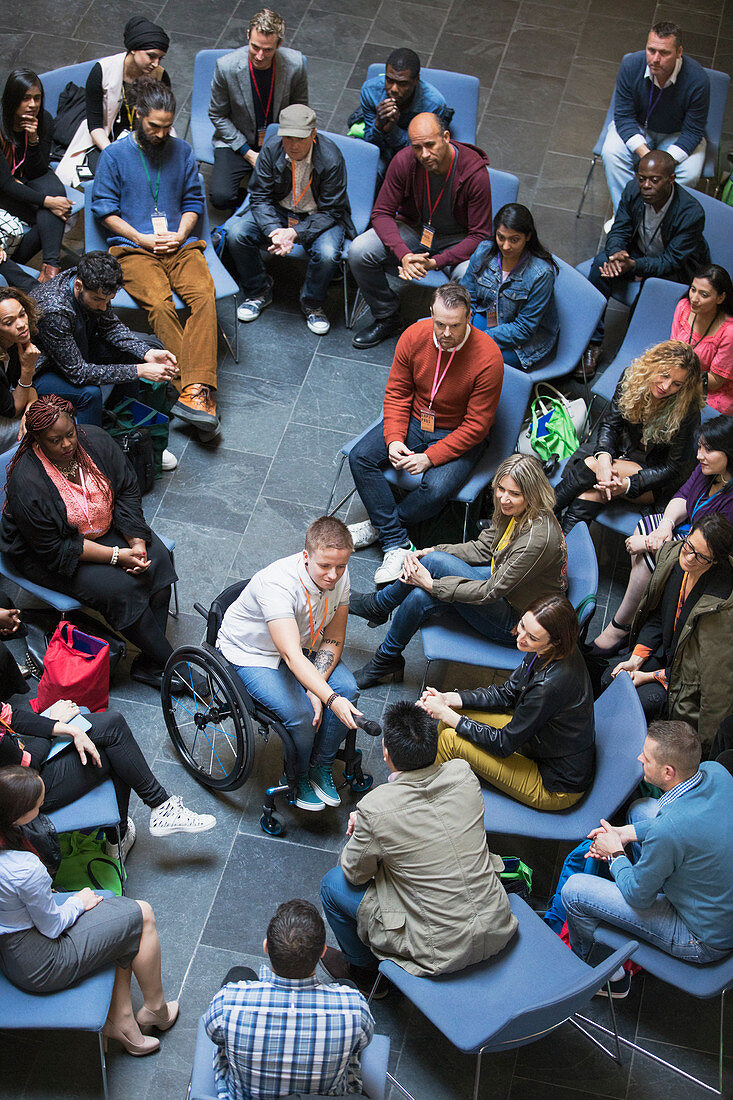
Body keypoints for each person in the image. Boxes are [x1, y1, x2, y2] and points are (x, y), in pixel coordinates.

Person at [319, 701, 517, 992]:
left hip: (439, 951)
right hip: (497, 925)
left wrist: (364, 828)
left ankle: (363, 973)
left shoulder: (375, 808)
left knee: (332, 885)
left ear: (385, 750)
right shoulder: (463, 773)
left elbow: (354, 874)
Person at [0, 395, 178, 691]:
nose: (67, 444)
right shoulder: (26, 480)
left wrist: (136, 541)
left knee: (156, 559)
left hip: (103, 526)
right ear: (38, 440)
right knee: (120, 589)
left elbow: (125, 490)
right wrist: (117, 557)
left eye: (70, 434)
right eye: (56, 441)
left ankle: (150, 663)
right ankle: (175, 665)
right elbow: (56, 548)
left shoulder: (94, 440)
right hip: (48, 553)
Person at [0, 766, 180, 1055]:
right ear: (18, 816)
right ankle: (155, 1010)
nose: (43, 807)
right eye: (38, 805)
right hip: (41, 960)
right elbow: (52, 926)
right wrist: (78, 902)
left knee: (119, 922)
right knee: (142, 914)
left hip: (11, 949)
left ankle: (124, 1023)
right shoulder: (24, 869)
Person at [350, 453, 567, 690]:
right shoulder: (518, 512)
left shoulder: (535, 539)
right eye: (501, 489)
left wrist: (433, 585)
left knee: (432, 572)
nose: (504, 499)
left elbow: (489, 592)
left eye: (514, 494)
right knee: (422, 589)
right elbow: (484, 549)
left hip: (519, 620)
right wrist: (432, 549)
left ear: (532, 494)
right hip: (506, 586)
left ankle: (380, 606)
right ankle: (386, 658)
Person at [562, 721, 733, 1000]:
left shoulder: (670, 831)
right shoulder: (716, 772)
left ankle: (596, 973)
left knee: (575, 891)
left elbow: (638, 895)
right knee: (642, 810)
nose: (639, 758)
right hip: (718, 905)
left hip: (702, 939)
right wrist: (623, 833)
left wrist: (615, 853)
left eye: (647, 757)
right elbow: (684, 827)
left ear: (668, 772)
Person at [346, 283, 503, 585]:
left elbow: (477, 426)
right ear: (431, 313)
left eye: (455, 326)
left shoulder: (488, 358)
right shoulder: (414, 336)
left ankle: (382, 528)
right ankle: (397, 541)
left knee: (436, 489)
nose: (446, 333)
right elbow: (397, 393)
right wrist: (393, 438)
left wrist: (430, 458)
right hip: (418, 420)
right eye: (440, 323)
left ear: (469, 317)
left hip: (459, 432)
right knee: (360, 457)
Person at [91, 79, 220, 438]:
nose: (162, 134)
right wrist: (142, 237)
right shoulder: (115, 156)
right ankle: (195, 391)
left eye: (167, 126)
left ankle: (193, 393)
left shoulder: (183, 151)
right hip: (133, 248)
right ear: (138, 117)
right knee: (161, 307)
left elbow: (194, 202)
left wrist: (179, 234)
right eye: (154, 126)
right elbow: (104, 211)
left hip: (179, 245)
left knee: (203, 298)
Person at [216, 516, 361, 812]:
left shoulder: (340, 575)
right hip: (254, 653)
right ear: (306, 556)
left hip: (303, 644)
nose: (333, 575)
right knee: (302, 714)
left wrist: (317, 685)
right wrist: (326, 696)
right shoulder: (278, 584)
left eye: (341, 566)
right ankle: (297, 775)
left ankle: (321, 765)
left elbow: (333, 636)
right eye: (325, 566)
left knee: (349, 688)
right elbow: (293, 656)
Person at [421, 594, 595, 810]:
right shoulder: (550, 649)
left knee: (450, 738)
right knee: (449, 717)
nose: (520, 638)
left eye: (531, 637)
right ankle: (433, 782)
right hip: (538, 742)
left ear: (554, 641)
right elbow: (507, 693)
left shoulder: (548, 686)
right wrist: (449, 699)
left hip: (555, 784)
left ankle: (422, 802)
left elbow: (503, 744)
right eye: (522, 625)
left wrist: (449, 715)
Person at [0, 698, 216, 861]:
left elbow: (11, 716)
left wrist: (66, 728)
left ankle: (158, 808)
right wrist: (53, 723)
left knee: (112, 724)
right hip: (25, 792)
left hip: (19, 758)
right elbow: (27, 767)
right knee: (115, 754)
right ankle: (121, 836)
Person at [348, 112, 492, 349]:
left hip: (456, 239)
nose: (424, 154)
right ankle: (386, 315)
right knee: (359, 251)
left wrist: (436, 262)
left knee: (468, 276)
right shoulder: (405, 161)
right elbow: (381, 212)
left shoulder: (474, 173)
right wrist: (404, 253)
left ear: (446, 137)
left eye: (430, 145)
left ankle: (449, 338)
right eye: (417, 147)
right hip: (415, 228)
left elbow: (480, 235)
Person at [204, 899, 374, 1098]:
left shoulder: (227, 1003)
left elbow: (215, 1036)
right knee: (348, 986)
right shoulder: (354, 1009)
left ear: (266, 947)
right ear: (323, 952)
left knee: (239, 974)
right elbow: (362, 1043)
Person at [592, 415, 733, 654]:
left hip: (707, 555)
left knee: (648, 556)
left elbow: (706, 546)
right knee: (649, 526)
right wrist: (665, 526)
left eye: (708, 450)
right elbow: (683, 496)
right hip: (690, 531)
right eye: (699, 447)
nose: (699, 456)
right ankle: (643, 612)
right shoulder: (710, 470)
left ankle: (621, 625)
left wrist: (649, 542)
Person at [603, 513, 733, 748]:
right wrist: (636, 659)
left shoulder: (721, 607)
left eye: (701, 557)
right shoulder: (675, 560)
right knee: (609, 678)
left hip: (684, 684)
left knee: (638, 703)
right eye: (689, 546)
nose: (690, 558)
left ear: (716, 562)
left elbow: (706, 679)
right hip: (666, 653)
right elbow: (659, 617)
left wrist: (649, 677)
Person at [226, 104, 354, 336]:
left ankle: (312, 303)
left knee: (327, 254)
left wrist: (293, 233)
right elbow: (260, 196)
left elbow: (332, 211)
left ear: (313, 135)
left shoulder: (331, 158)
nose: (293, 145)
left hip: (319, 215)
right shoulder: (272, 149)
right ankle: (259, 290)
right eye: (288, 138)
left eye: (299, 139)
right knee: (237, 234)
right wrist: (275, 230)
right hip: (279, 211)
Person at [581, 150, 709, 379]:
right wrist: (616, 254)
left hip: (675, 270)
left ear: (671, 179)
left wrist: (634, 265)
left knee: (651, 289)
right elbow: (619, 228)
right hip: (637, 254)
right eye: (642, 178)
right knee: (601, 264)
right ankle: (593, 342)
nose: (646, 185)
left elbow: (672, 260)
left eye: (654, 180)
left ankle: (630, 353)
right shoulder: (633, 190)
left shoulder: (691, 213)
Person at [30, 253, 179, 447]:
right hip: (44, 369)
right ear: (78, 286)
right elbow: (78, 373)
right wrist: (139, 370)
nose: (104, 307)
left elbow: (109, 326)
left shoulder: (90, 284)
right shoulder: (55, 311)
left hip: (79, 344)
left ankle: (128, 428)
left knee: (133, 353)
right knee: (89, 393)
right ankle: (93, 451)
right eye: (98, 300)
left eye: (108, 301)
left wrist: (146, 353)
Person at [554, 340, 702, 533]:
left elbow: (672, 469)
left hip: (655, 477)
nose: (666, 386)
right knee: (588, 495)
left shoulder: (687, 410)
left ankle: (536, 514)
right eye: (664, 375)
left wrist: (626, 484)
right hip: (626, 452)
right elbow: (610, 423)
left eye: (677, 384)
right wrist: (605, 461)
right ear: (652, 365)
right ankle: (562, 550)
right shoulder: (631, 378)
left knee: (591, 466)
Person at [601, 22, 710, 212]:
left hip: (678, 133)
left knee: (690, 173)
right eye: (651, 50)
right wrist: (648, 156)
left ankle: (658, 215)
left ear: (679, 52)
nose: (655, 59)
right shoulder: (631, 65)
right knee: (611, 153)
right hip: (638, 126)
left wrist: (662, 162)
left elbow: (693, 131)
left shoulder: (697, 80)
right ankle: (628, 213)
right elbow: (624, 116)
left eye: (664, 53)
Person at [208, 8, 308, 211]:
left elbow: (301, 110)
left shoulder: (294, 65)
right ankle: (250, 197)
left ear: (279, 44)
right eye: (254, 47)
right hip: (237, 141)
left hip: (278, 140)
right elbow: (217, 114)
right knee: (220, 197)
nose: (260, 56)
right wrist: (247, 153)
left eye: (268, 50)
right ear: (247, 36)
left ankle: (257, 198)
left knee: (292, 196)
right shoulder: (226, 67)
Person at [55, 15, 171, 187]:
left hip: (146, 135)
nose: (156, 64)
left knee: (160, 175)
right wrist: (114, 153)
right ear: (133, 49)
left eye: (160, 58)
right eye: (151, 56)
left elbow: (161, 117)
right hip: (106, 137)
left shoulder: (160, 76)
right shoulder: (102, 71)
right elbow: (95, 126)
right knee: (110, 177)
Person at [460, 203, 559, 370]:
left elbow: (524, 328)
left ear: (527, 236)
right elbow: (466, 294)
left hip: (525, 341)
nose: (506, 246)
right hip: (489, 316)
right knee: (453, 343)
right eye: (501, 237)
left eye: (514, 240)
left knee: (474, 359)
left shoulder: (541, 274)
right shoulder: (484, 250)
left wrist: (478, 338)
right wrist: (462, 325)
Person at [0, 69, 72, 283]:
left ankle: (51, 266)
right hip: (4, 189)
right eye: (25, 98)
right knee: (53, 208)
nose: (33, 104)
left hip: (26, 179)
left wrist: (32, 140)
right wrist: (47, 201)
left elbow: (38, 169)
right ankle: (37, 266)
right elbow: (4, 184)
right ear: (13, 100)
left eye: (37, 98)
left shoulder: (44, 120)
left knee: (56, 194)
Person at [359, 48, 450, 166]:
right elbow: (370, 143)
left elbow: (421, 149)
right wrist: (378, 125)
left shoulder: (433, 104)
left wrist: (392, 130)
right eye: (389, 80)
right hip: (383, 148)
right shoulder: (370, 92)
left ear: (416, 80)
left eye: (402, 84)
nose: (394, 89)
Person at [670, 265, 733, 416]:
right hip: (680, 374)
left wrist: (679, 381)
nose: (694, 299)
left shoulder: (729, 332)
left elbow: (716, 380)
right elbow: (673, 348)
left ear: (721, 298)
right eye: (693, 289)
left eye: (704, 295)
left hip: (708, 388)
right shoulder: (683, 307)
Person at [0, 286, 39, 450]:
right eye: (9, 322)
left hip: (7, 405)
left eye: (22, 315)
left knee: (40, 416)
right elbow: (12, 409)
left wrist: (31, 407)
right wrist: (28, 370)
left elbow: (29, 388)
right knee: (43, 427)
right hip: (5, 412)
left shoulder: (14, 342)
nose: (22, 324)